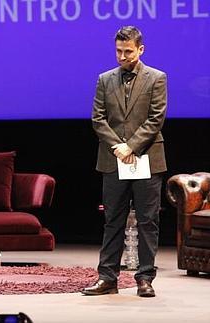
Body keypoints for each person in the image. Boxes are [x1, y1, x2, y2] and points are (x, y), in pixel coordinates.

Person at [83, 26, 167, 297]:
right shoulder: (104, 79)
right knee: (112, 220)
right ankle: (107, 277)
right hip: (113, 159)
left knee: (147, 220)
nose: (122, 56)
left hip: (146, 158)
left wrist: (131, 145)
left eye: (127, 51)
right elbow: (98, 118)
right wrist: (118, 146)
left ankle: (145, 278)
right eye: (118, 51)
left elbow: (156, 118)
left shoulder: (156, 78)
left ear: (140, 49)